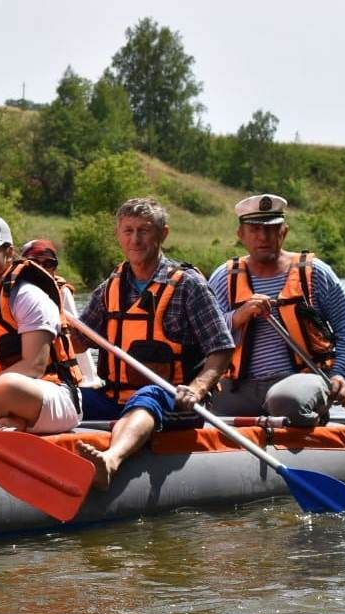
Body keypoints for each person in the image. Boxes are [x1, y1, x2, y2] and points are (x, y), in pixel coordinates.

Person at [74, 197, 234, 489]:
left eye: (144, 231)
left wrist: (197, 389)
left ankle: (110, 460)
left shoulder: (189, 285)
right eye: (128, 231)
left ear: (163, 234)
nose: (135, 239)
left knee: (149, 394)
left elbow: (221, 348)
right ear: (118, 235)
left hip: (175, 399)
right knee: (66, 397)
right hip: (115, 398)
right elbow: (77, 343)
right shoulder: (109, 288)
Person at [207, 193, 345, 425]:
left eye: (271, 229)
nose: (263, 237)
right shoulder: (223, 277)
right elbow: (203, 335)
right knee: (193, 400)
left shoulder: (316, 272)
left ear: (284, 232)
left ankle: (313, 428)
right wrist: (238, 316)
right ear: (241, 235)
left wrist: (341, 374)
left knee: (285, 400)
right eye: (255, 229)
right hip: (239, 385)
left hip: (302, 380)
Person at [0, 217, 81, 433]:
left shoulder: (27, 295)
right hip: (0, 397)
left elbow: (33, 367)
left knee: (9, 386)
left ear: (8, 252)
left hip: (54, 395)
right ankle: (12, 421)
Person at [20, 238, 103, 388]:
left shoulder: (62, 292)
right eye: (34, 263)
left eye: (49, 264)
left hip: (58, 380)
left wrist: (90, 379)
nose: (42, 269)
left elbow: (77, 343)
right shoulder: (11, 293)